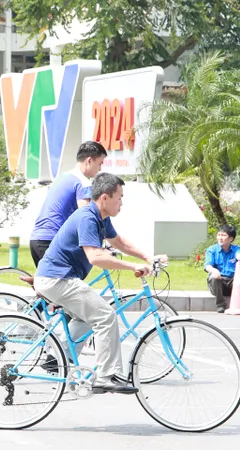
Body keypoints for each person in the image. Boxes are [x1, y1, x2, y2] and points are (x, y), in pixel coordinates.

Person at [33, 173, 166, 394]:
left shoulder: (101, 218)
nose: (122, 203)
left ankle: (57, 359)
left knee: (87, 319)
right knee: (105, 315)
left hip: (58, 278)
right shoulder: (87, 217)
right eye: (119, 197)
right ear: (104, 198)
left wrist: (146, 257)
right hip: (57, 279)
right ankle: (106, 376)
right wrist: (132, 267)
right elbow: (95, 257)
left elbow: (118, 241)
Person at [29, 141, 108, 266]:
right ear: (89, 161)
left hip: (37, 238)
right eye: (100, 163)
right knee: (66, 282)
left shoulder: (63, 177)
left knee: (48, 283)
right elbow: (86, 217)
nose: (100, 169)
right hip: (52, 242)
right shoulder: (83, 183)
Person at [204, 224, 240, 313]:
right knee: (214, 276)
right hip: (218, 282)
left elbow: (239, 253)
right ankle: (220, 305)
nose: (220, 238)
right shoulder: (212, 250)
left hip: (233, 282)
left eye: (223, 235)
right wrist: (214, 270)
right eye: (219, 235)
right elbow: (207, 266)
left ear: (231, 239)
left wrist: (239, 256)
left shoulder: (237, 249)